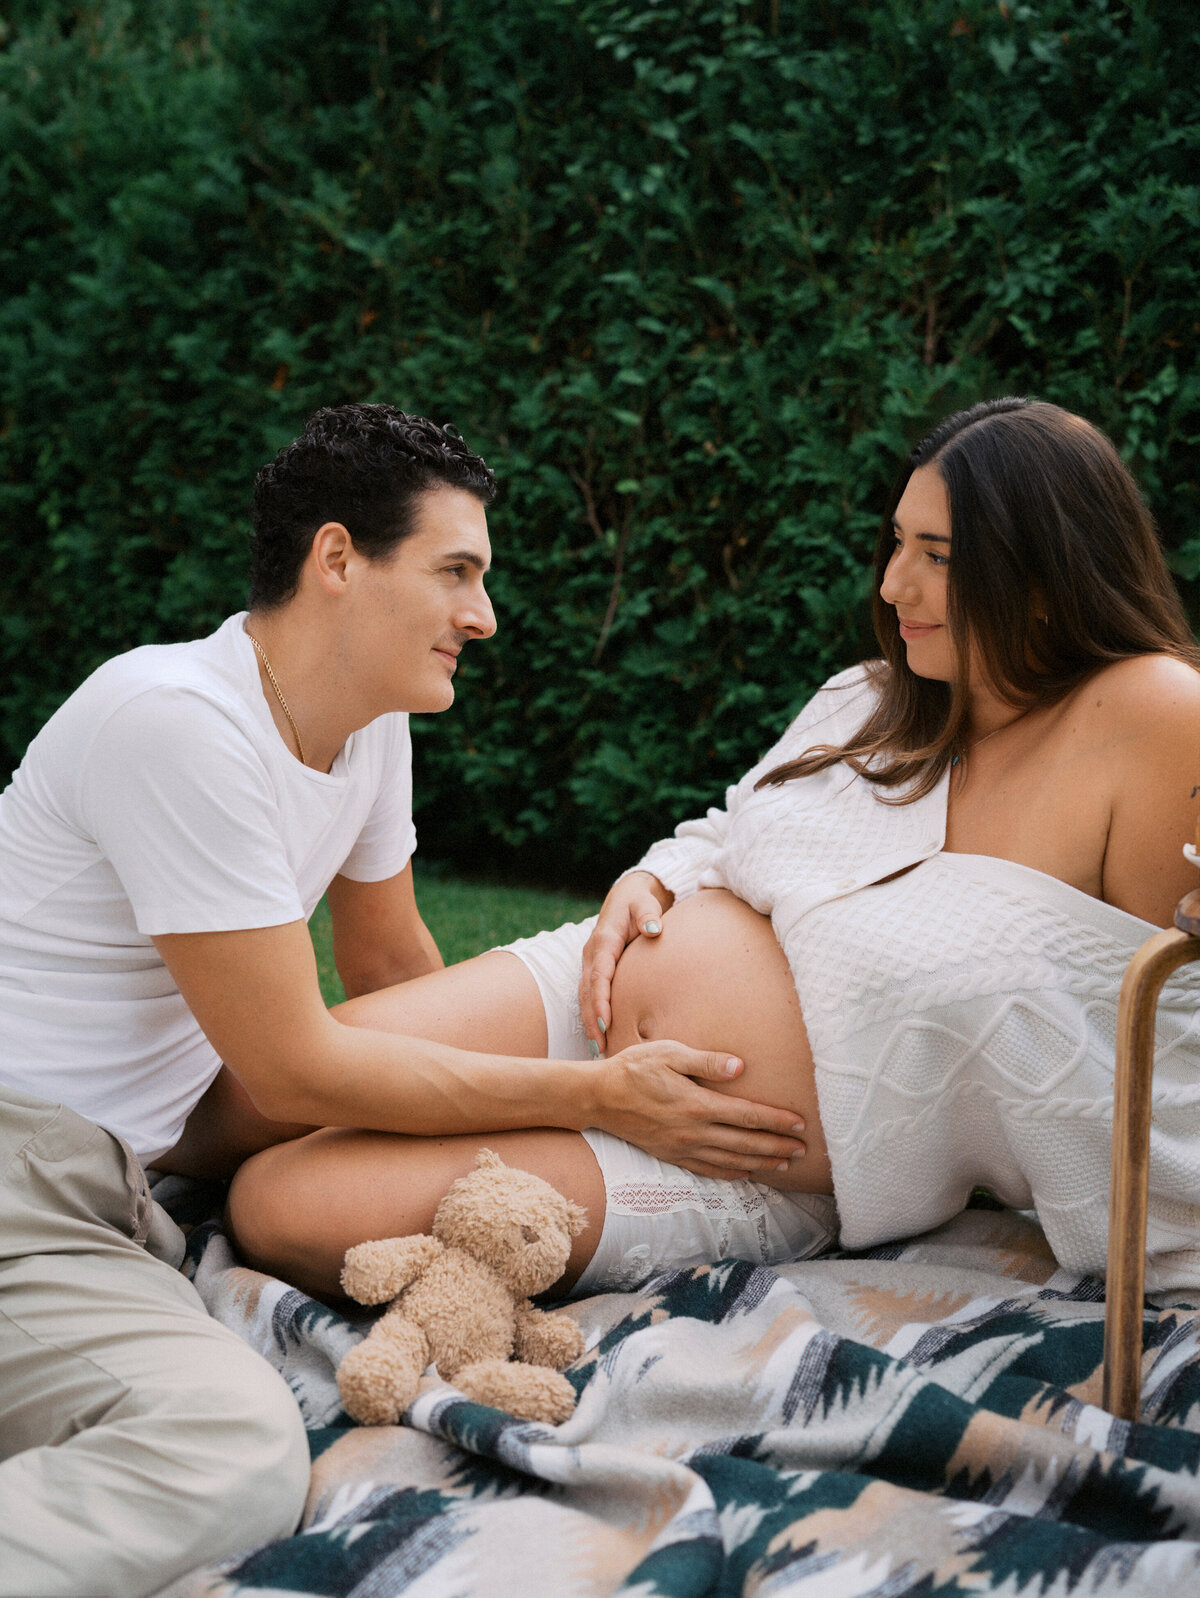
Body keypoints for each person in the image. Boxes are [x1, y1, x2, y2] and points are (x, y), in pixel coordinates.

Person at [0, 403, 805, 1598]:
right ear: (337, 558)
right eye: (456, 571)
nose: (485, 614)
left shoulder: (364, 732)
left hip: (108, 1177)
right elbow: (293, 1070)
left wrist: (477, 1189)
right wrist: (598, 1096)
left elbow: (389, 973)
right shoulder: (177, 722)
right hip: (25, 1169)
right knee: (226, 1449)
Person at [227, 396, 1200, 1306]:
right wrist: (653, 875)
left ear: (1046, 567)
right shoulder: (873, 696)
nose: (893, 583)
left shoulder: (1150, 715)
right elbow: (731, 830)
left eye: (937, 554)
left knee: (282, 1204)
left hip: (730, 1154)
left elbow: (1171, 1039)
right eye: (898, 543)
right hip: (589, 994)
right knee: (240, 1101)